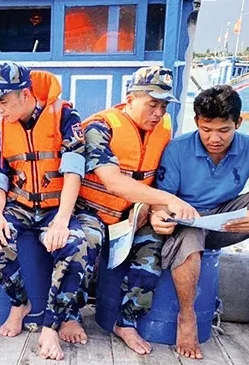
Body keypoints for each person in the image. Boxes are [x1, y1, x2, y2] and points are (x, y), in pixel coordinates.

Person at [151, 84, 249, 359]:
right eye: (206, 129)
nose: (214, 138)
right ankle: (187, 317)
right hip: (187, 223)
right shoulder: (177, 150)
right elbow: (161, 198)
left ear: (238, 122)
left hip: (227, 220)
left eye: (224, 130)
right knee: (189, 243)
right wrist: (160, 216)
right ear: (196, 123)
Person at [76, 66, 198, 354]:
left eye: (164, 106)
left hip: (132, 218)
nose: (158, 113)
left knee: (154, 245)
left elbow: (156, 179)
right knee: (83, 242)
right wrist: (167, 199)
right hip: (90, 212)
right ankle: (69, 315)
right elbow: (113, 180)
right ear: (130, 100)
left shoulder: (164, 129)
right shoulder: (99, 127)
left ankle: (127, 322)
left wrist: (155, 209)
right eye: (152, 104)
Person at [0, 61, 93, 361]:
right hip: (18, 206)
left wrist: (62, 221)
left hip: (55, 208)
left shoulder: (66, 117)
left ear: (25, 95)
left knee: (77, 246)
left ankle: (51, 325)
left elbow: (73, 171)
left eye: (3, 101)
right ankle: (19, 304)